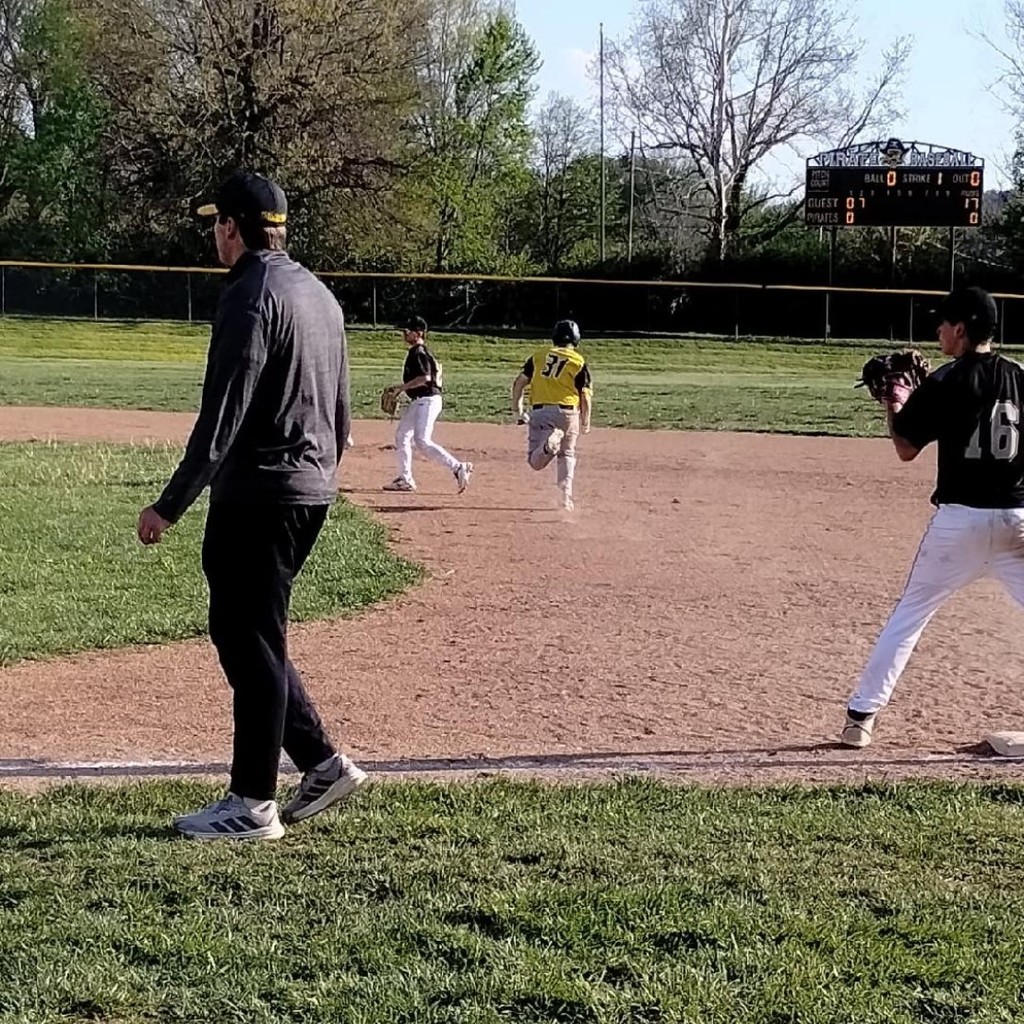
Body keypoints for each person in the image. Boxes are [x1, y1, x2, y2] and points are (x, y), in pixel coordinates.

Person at [137, 171, 367, 839]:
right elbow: (341, 408)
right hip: (306, 486)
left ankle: (253, 802)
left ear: (234, 227)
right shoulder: (317, 293)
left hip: (262, 491)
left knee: (248, 639)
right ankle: (321, 763)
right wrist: (322, 473)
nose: (214, 234)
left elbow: (223, 413)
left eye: (217, 224)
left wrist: (170, 503)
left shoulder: (251, 294)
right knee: (249, 635)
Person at [841, 286, 1024, 748]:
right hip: (1016, 521)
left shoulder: (945, 380)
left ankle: (861, 718)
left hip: (959, 524)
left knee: (910, 615)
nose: (938, 329)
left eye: (944, 323)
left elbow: (905, 447)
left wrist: (895, 398)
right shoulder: (1022, 378)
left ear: (961, 330)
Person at [383, 315, 473, 493]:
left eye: (407, 331)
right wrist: (402, 388)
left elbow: (425, 378)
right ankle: (405, 479)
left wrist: (401, 388)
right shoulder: (417, 352)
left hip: (428, 400)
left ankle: (458, 467)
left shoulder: (419, 352)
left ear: (418, 333)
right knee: (402, 436)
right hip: (420, 401)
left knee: (422, 440)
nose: (404, 334)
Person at [511, 319, 593, 511]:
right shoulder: (578, 361)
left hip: (542, 412)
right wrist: (586, 421)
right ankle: (565, 497)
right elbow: (585, 395)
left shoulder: (538, 357)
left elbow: (519, 383)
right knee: (567, 455)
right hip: (568, 413)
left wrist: (518, 409)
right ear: (576, 339)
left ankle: (548, 447)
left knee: (535, 461)